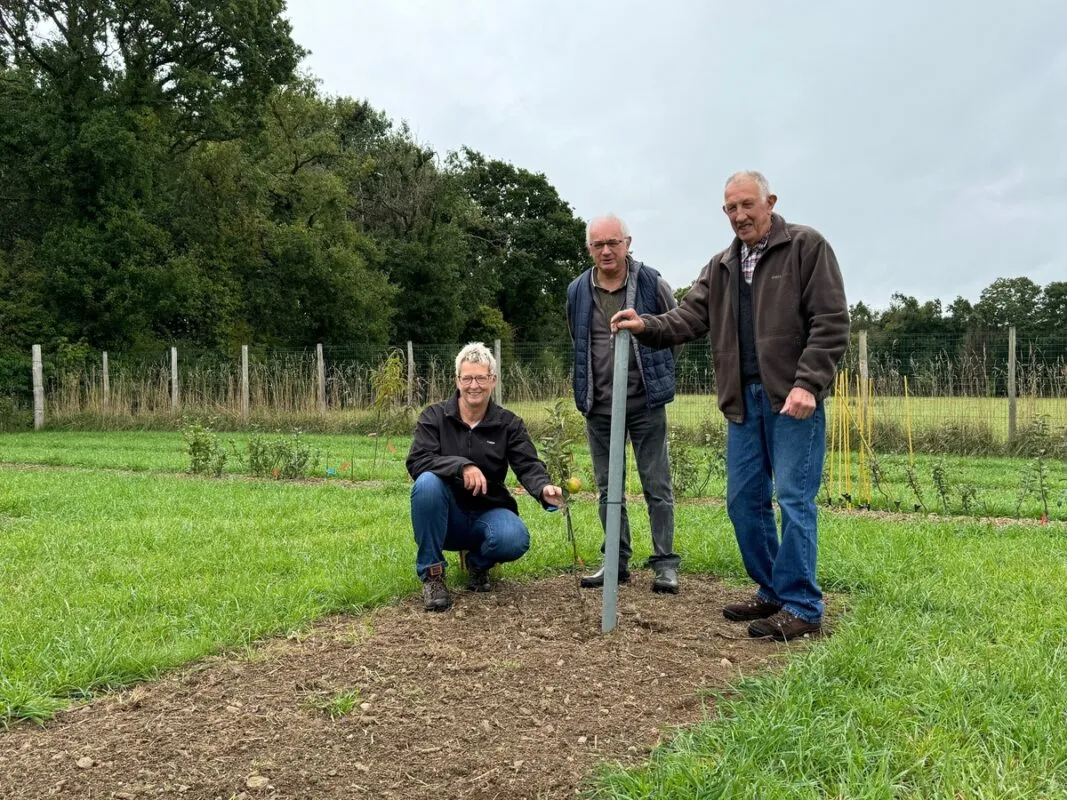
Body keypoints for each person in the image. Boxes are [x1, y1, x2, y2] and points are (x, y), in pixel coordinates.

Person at [611, 172, 849, 640]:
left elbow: (831, 320)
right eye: (730, 208)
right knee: (744, 503)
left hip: (792, 400)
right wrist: (646, 324)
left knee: (794, 501)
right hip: (743, 402)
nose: (739, 216)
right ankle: (772, 591)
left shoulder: (806, 247)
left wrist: (809, 383)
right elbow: (689, 316)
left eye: (747, 205)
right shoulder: (722, 265)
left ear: (770, 202)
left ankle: (803, 605)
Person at [566, 213, 681, 594]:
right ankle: (616, 560)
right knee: (606, 487)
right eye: (598, 244)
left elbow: (673, 329)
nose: (606, 250)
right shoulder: (578, 290)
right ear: (589, 249)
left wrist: (657, 370)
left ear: (628, 243)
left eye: (613, 242)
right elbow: (578, 339)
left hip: (645, 402)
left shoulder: (651, 282)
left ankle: (665, 564)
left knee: (656, 484)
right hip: (598, 405)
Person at [407, 342, 563, 611]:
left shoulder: (508, 424)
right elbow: (418, 461)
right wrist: (461, 466)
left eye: (481, 378)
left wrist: (544, 488)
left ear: (493, 380)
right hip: (445, 518)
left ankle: (478, 565)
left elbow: (527, 464)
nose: (474, 385)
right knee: (427, 483)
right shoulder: (434, 417)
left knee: (514, 538)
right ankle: (433, 577)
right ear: (457, 380)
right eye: (467, 378)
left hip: (488, 511)